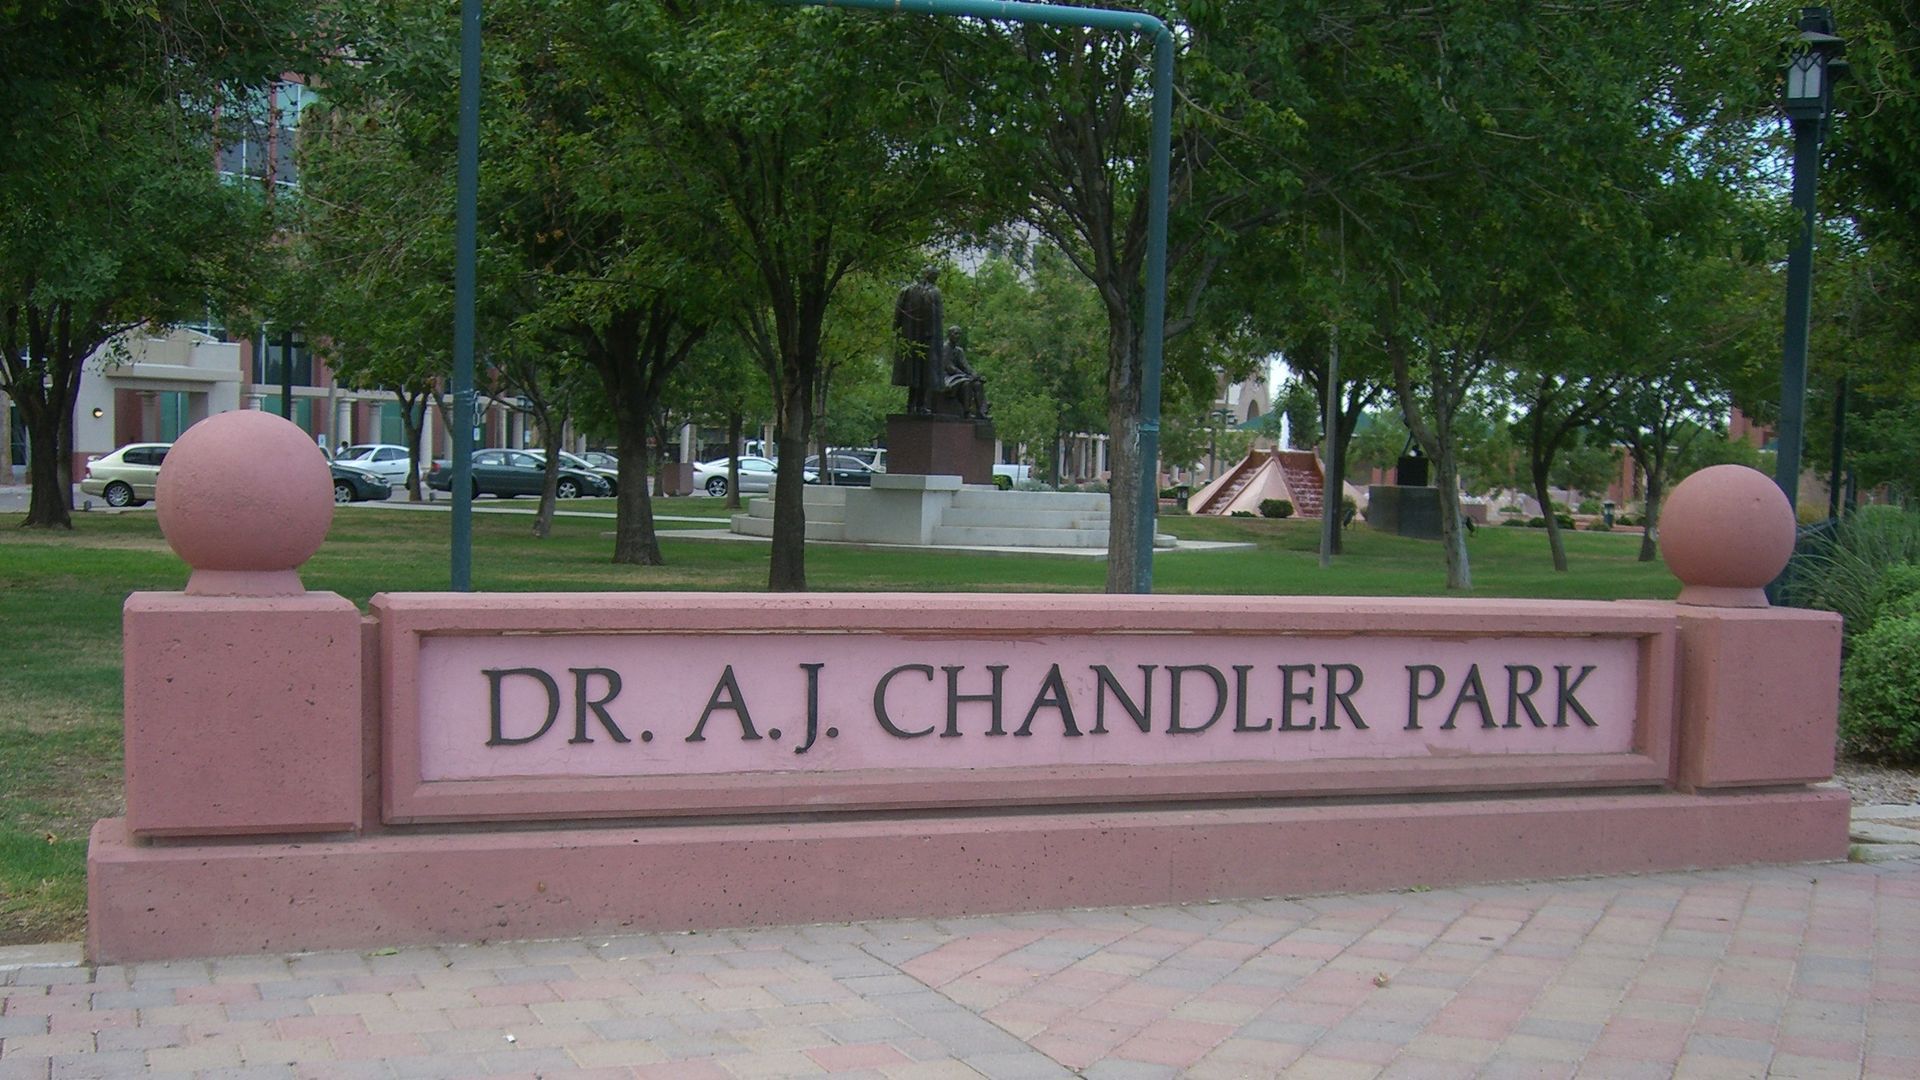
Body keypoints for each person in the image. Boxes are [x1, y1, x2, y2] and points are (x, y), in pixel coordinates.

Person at [892, 266, 943, 414]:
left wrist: (897, 329)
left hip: (911, 337)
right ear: (928, 275)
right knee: (923, 373)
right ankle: (918, 405)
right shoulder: (933, 292)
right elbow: (936, 318)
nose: (935, 278)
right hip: (928, 338)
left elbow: (897, 315)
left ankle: (913, 405)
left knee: (916, 373)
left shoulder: (907, 291)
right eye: (934, 275)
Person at [939, 325, 987, 419]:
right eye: (955, 333)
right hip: (948, 377)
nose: (958, 336)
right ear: (949, 335)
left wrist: (975, 375)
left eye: (959, 334)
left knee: (977, 384)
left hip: (959, 376)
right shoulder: (945, 348)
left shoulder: (959, 350)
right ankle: (967, 412)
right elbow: (948, 367)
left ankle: (981, 411)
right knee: (967, 384)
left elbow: (965, 366)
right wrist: (964, 375)